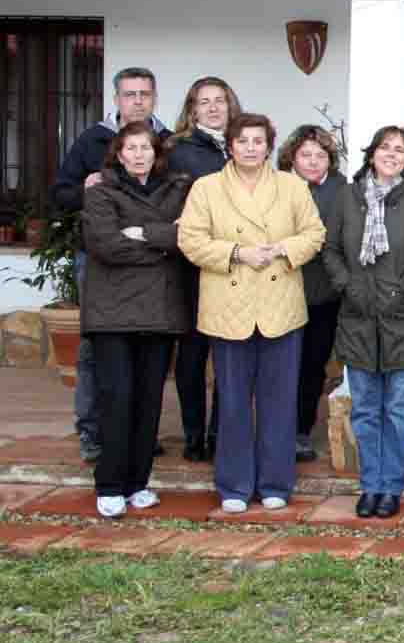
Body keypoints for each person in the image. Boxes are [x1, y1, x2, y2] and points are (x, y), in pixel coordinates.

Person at [177, 113, 326, 514]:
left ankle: (276, 482)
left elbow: (314, 234)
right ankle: (234, 485)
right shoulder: (207, 188)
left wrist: (281, 250)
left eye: (258, 141)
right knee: (233, 402)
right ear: (230, 144)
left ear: (269, 145)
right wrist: (237, 253)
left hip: (280, 306)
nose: (250, 147)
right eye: (242, 140)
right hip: (229, 307)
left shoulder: (292, 186)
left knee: (280, 402)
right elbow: (189, 239)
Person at [323, 126, 404, 519]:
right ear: (372, 153)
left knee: (398, 409)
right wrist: (347, 286)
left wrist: (403, 289)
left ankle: (391, 486)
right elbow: (330, 250)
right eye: (385, 147)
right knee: (364, 410)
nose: (392, 155)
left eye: (400, 150)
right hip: (358, 319)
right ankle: (370, 485)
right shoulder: (348, 197)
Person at [50, 65, 167, 463]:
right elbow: (60, 194)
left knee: (148, 350)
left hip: (155, 265)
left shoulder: (168, 141)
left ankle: (138, 434)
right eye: (129, 94)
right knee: (96, 347)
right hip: (102, 261)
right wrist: (83, 190)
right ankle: (93, 430)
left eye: (144, 94)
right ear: (116, 98)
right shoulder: (91, 141)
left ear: (154, 98)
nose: (137, 101)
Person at [80, 121, 193, 518]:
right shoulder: (101, 192)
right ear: (119, 153)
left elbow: (187, 238)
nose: (139, 154)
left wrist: (141, 233)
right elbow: (105, 245)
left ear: (156, 152)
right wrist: (161, 240)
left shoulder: (177, 188)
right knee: (117, 398)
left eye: (146, 147)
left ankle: (138, 482)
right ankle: (110, 483)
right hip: (112, 314)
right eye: (131, 148)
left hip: (160, 311)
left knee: (148, 400)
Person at [166, 76, 244, 462]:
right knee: (194, 354)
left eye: (220, 100)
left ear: (231, 105)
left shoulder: (243, 147)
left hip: (237, 263)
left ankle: (220, 431)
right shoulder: (178, 151)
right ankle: (194, 432)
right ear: (192, 109)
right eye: (204, 101)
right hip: (194, 267)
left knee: (230, 352)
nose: (213, 108)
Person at [276, 125, 347, 463]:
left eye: (321, 156)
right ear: (292, 157)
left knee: (312, 365)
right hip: (281, 288)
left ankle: (301, 431)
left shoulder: (342, 190)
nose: (314, 162)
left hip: (324, 294)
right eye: (306, 155)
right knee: (281, 364)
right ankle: (276, 431)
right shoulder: (276, 187)